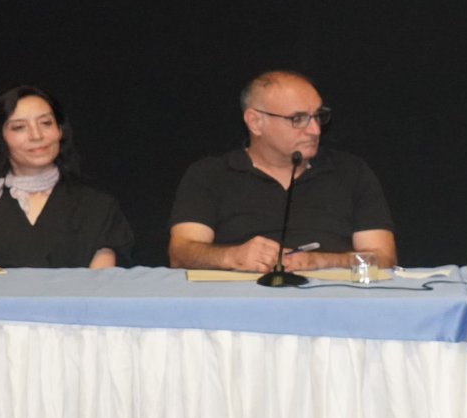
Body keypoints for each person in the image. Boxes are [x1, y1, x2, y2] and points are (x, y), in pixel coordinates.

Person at [168, 70, 396, 271]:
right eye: (298, 119)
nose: (315, 130)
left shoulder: (351, 172)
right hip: (240, 300)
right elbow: (181, 253)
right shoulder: (210, 174)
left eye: (318, 116)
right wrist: (232, 257)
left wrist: (320, 261)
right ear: (255, 122)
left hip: (332, 299)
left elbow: (384, 258)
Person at [0, 85, 134, 269]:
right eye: (19, 127)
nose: (36, 135)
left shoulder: (98, 207)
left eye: (46, 123)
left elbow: (100, 289)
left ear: (60, 130)